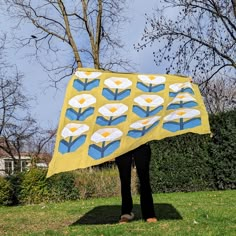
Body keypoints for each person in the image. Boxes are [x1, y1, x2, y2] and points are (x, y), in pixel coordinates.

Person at [115, 143, 157, 223]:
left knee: (144, 178)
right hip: (122, 144)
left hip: (141, 142)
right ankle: (126, 213)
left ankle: (149, 213)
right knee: (124, 180)